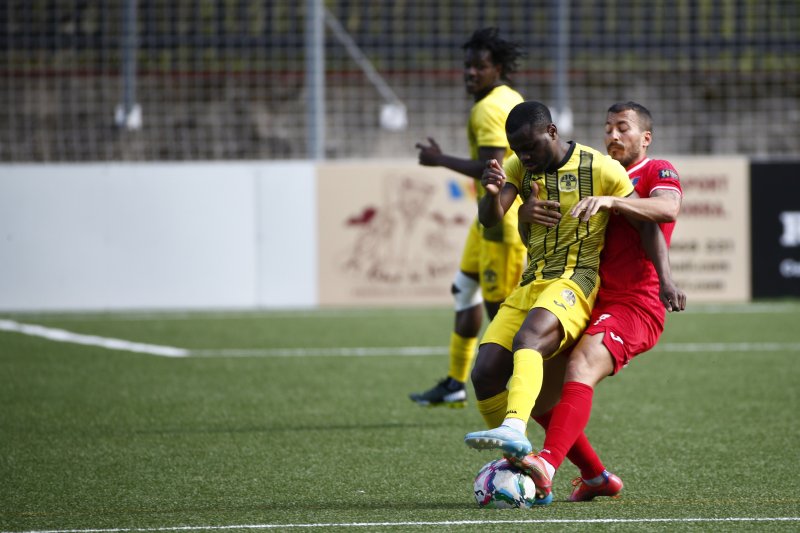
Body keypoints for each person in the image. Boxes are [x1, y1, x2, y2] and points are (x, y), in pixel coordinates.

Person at [505, 101, 684, 503]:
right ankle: (595, 476)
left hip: (634, 304)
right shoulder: (594, 171)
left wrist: (613, 201)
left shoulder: (654, 171)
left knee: (582, 364)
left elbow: (667, 209)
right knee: (537, 389)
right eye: (608, 128)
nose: (613, 135)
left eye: (623, 127)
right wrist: (524, 216)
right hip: (586, 297)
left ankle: (546, 464)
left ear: (646, 138)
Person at [462, 101, 636, 489]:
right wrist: (492, 195)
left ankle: (514, 429)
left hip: (575, 280)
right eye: (517, 149)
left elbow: (643, 217)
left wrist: (662, 279)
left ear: (552, 132)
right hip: (532, 282)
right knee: (485, 372)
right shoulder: (517, 167)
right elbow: (490, 220)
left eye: (530, 147)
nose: (524, 157)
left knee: (529, 339)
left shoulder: (600, 168)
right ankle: (521, 463)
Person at [409, 28, 527, 407]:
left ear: (498, 68)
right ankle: (455, 383)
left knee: (501, 313)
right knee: (464, 288)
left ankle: (518, 392)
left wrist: (439, 159)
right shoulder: (509, 98)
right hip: (487, 219)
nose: (471, 73)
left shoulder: (489, 108)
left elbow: (492, 169)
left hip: (502, 222)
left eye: (480, 66)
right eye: (468, 66)